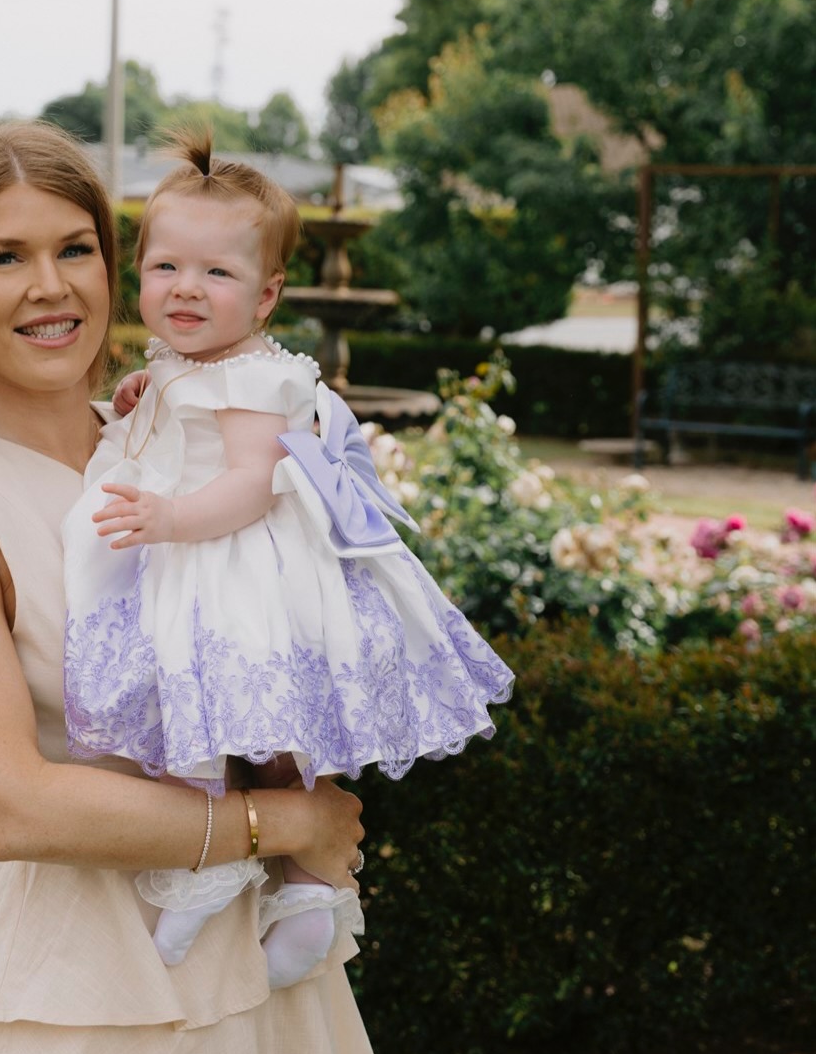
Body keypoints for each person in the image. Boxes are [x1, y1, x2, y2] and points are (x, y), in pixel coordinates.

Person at [0, 120, 388, 1054]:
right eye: (4, 257)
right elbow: (10, 803)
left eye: (77, 249)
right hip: (100, 987)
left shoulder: (179, 451)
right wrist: (284, 821)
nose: (51, 288)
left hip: (255, 970)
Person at [62, 133, 514, 990]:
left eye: (217, 274)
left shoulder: (259, 379)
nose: (185, 288)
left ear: (266, 296)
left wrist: (168, 515)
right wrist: (136, 397)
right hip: (199, 555)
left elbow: (249, 483)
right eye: (165, 268)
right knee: (218, 716)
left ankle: (260, 877)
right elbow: (168, 423)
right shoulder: (187, 362)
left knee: (247, 717)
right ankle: (269, 879)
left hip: (236, 564)